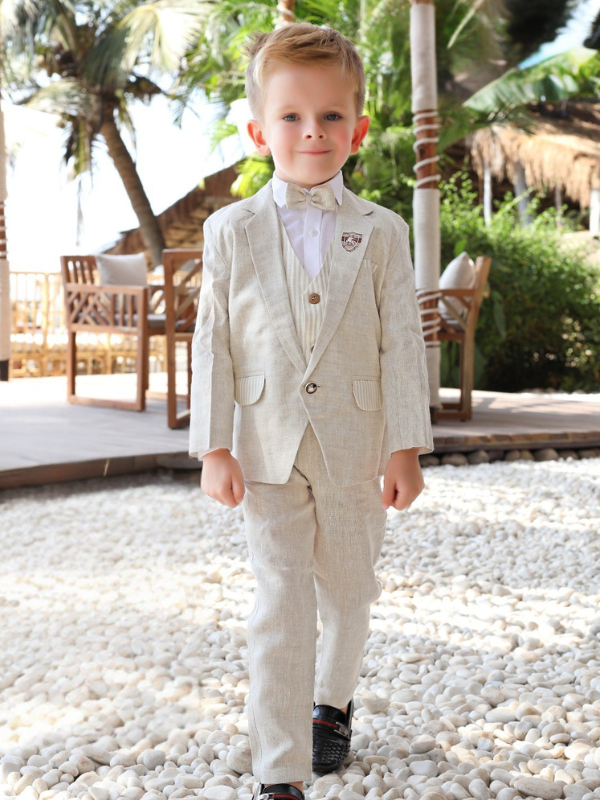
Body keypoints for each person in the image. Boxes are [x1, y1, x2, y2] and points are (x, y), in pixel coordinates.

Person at [189, 21, 433, 800]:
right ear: (260, 132)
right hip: (265, 446)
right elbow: (213, 342)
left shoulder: (383, 231)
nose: (312, 132)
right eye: (291, 116)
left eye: (331, 116)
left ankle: (333, 701)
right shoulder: (229, 231)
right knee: (280, 602)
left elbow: (402, 343)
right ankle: (281, 770)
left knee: (352, 591)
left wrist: (406, 446)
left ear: (357, 130)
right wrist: (213, 446)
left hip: (357, 443)